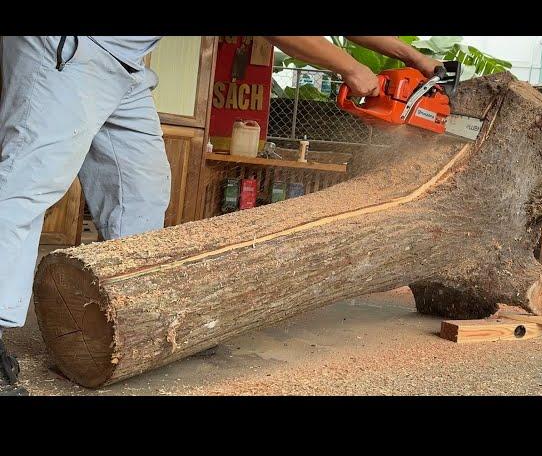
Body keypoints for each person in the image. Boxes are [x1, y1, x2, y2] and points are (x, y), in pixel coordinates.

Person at [0, 36, 442, 394]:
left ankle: (131, 318)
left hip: (126, 64)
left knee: (143, 191)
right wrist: (350, 66)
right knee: (25, 183)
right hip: (72, 46)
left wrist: (410, 55)